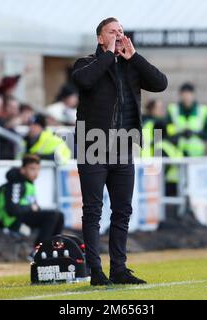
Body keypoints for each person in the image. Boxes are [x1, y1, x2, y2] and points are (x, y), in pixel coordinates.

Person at [72, 17, 167, 286]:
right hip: (93, 145)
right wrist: (109, 57)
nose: (118, 35)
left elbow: (160, 83)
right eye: (112, 32)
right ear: (100, 38)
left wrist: (134, 57)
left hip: (124, 146)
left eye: (121, 32)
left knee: (122, 210)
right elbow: (84, 81)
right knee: (93, 211)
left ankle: (119, 268)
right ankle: (95, 271)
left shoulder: (130, 65)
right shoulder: (87, 63)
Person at [0, 154, 64, 253]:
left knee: (59, 215)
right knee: (52, 216)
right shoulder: (16, 184)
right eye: (32, 169)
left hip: (23, 217)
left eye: (38, 169)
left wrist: (33, 208)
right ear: (23, 170)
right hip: (12, 221)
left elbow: (34, 207)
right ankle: (38, 251)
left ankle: (54, 249)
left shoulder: (29, 184)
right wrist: (30, 207)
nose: (36, 173)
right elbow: (12, 209)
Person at [166, 83, 207, 157]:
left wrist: (197, 133)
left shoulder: (202, 111)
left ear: (193, 95)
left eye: (189, 94)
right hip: (177, 154)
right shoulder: (173, 110)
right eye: (184, 95)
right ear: (180, 95)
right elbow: (168, 130)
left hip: (196, 155)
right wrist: (179, 134)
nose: (186, 97)